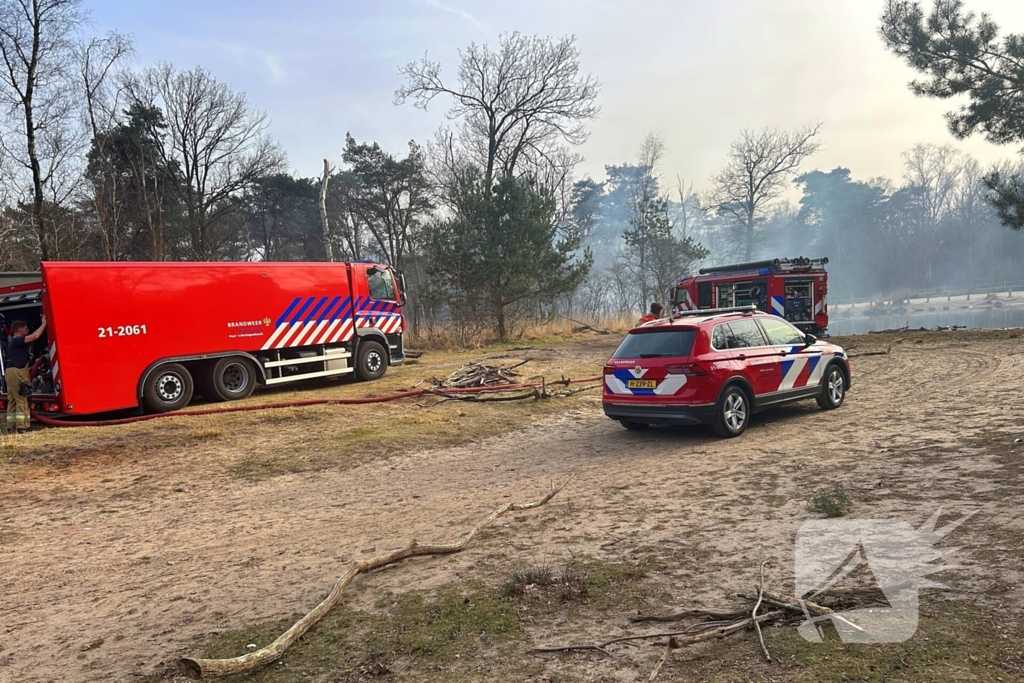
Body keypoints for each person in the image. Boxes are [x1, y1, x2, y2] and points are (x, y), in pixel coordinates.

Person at [5, 316, 45, 431]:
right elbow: (35, 336)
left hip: (10, 372)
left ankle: (11, 426)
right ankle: (23, 426)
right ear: (20, 330)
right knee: (21, 399)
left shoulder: (11, 342)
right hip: (17, 372)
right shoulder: (17, 340)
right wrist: (44, 324)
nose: (28, 330)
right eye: (26, 328)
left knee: (12, 400)